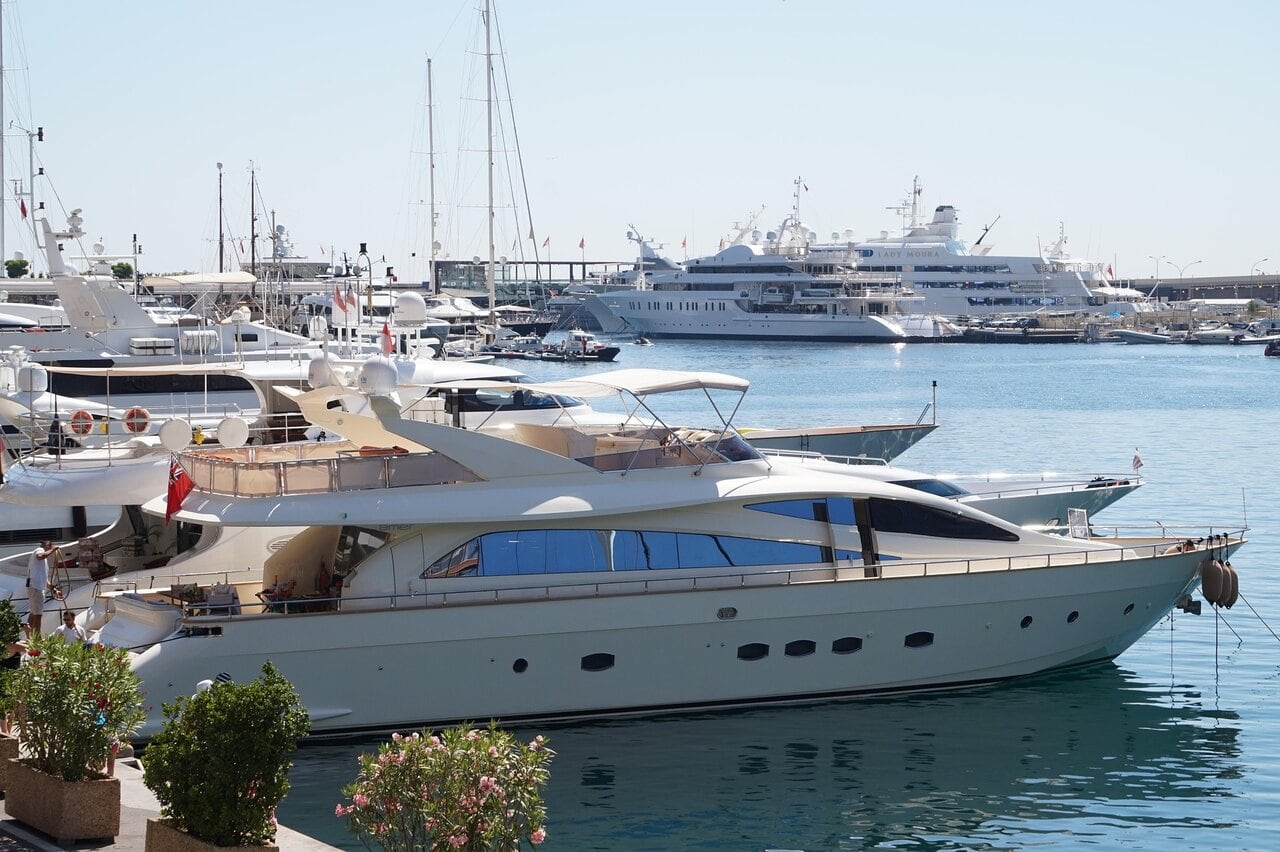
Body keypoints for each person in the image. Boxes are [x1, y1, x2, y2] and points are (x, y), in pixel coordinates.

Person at [25, 540, 60, 637]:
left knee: (33, 612)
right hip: (36, 587)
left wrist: (52, 588)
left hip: (35, 586)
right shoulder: (39, 550)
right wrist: (53, 549)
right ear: (46, 546)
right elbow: (40, 556)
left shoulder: (43, 562)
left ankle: (29, 635)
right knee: (38, 614)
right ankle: (37, 637)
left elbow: (44, 579)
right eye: (50, 546)